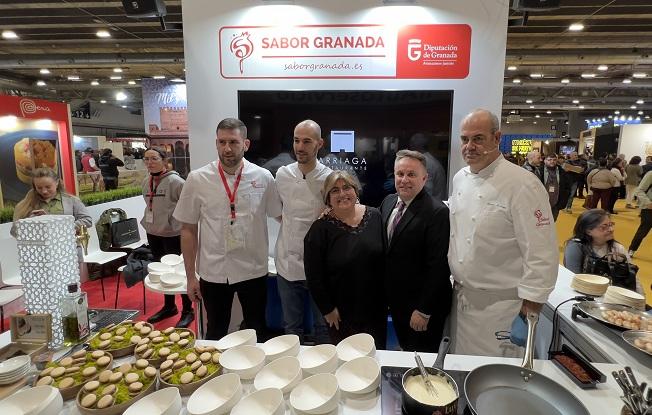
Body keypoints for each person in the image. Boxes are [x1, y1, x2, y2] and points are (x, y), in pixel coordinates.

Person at [448, 109, 558, 357]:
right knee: (460, 371)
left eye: (478, 138)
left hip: (501, 309)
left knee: (492, 382)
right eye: (465, 139)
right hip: (462, 299)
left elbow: (542, 253)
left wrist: (529, 310)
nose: (469, 146)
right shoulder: (460, 179)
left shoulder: (523, 184)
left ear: (497, 138)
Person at [173, 118, 275, 340]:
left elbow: (281, 215)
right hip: (214, 271)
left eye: (233, 142)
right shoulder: (198, 179)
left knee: (257, 328)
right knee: (216, 330)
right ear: (216, 143)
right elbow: (188, 229)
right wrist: (190, 277)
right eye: (222, 142)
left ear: (246, 144)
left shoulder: (263, 177)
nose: (227, 148)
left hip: (254, 269)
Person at [304, 171, 386, 347]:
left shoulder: (375, 217)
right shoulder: (319, 230)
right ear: (327, 198)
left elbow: (384, 262)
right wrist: (327, 310)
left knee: (375, 356)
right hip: (341, 313)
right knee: (348, 362)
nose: (342, 194)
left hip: (375, 309)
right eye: (334, 190)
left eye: (346, 187)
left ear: (355, 191)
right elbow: (314, 276)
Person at [380, 149, 452, 352]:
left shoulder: (437, 212)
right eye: (400, 174)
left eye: (411, 174)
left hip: (422, 307)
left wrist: (424, 310)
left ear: (424, 178)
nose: (404, 179)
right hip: (398, 301)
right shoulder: (388, 203)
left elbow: (438, 266)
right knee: (405, 349)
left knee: (422, 359)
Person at [269, 120, 332, 344]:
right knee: (291, 328)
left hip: (319, 267)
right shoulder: (283, 174)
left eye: (307, 141)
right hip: (287, 263)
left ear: (319, 144)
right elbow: (278, 211)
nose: (300, 146)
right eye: (297, 140)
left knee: (323, 327)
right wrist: (291, 226)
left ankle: (324, 376)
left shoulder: (330, 178)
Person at [140, 148, 194, 328]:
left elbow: (187, 205)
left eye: (154, 158)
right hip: (154, 232)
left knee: (180, 271)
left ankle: (188, 310)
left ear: (164, 160)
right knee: (162, 271)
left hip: (173, 234)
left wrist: (174, 221)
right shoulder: (145, 182)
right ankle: (169, 306)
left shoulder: (176, 181)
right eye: (146, 159)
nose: (150, 162)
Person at [565, 209, 643, 294]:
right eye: (604, 227)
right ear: (588, 231)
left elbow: (633, 279)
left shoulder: (617, 248)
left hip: (612, 296)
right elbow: (572, 278)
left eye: (611, 225)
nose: (611, 229)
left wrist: (641, 300)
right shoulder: (576, 246)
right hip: (583, 294)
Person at [12, 167, 92, 244]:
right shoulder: (25, 205)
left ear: (57, 183)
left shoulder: (71, 200)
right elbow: (14, 232)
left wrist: (55, 222)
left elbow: (87, 220)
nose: (44, 191)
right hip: (41, 252)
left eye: (48, 187)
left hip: (69, 247)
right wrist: (29, 221)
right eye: (39, 188)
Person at [409, 133, 447, 201]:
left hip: (432, 207)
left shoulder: (425, 163)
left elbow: (426, 191)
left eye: (411, 144)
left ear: (415, 146)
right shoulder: (429, 160)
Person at [536, 153, 571, 221]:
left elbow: (567, 186)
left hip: (556, 203)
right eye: (549, 160)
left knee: (553, 221)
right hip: (541, 203)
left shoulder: (562, 172)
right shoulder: (538, 171)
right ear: (545, 161)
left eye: (554, 160)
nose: (552, 161)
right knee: (541, 222)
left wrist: (565, 197)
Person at [629, 170, 652, 258]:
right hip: (649, 209)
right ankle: (632, 249)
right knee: (643, 231)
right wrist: (648, 203)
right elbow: (639, 190)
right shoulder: (650, 174)